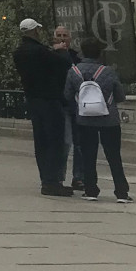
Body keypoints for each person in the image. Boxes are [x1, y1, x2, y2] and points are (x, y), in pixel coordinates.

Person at [64, 37, 131, 203]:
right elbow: (120, 96)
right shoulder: (108, 71)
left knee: (88, 155)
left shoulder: (74, 71)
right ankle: (121, 192)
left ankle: (91, 189)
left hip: (85, 119)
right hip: (109, 119)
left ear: (82, 52)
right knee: (114, 156)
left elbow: (67, 95)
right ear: (100, 53)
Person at [13, 18, 75, 196]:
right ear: (34, 31)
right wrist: (61, 51)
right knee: (54, 141)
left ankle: (45, 179)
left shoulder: (19, 53)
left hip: (33, 100)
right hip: (50, 100)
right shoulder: (40, 51)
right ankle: (52, 181)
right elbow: (64, 65)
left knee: (40, 142)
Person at [51, 25, 85, 190]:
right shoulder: (50, 56)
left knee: (80, 143)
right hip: (60, 104)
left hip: (76, 105)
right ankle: (59, 177)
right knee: (65, 142)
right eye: (59, 35)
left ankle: (79, 177)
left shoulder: (75, 57)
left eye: (65, 35)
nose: (62, 38)